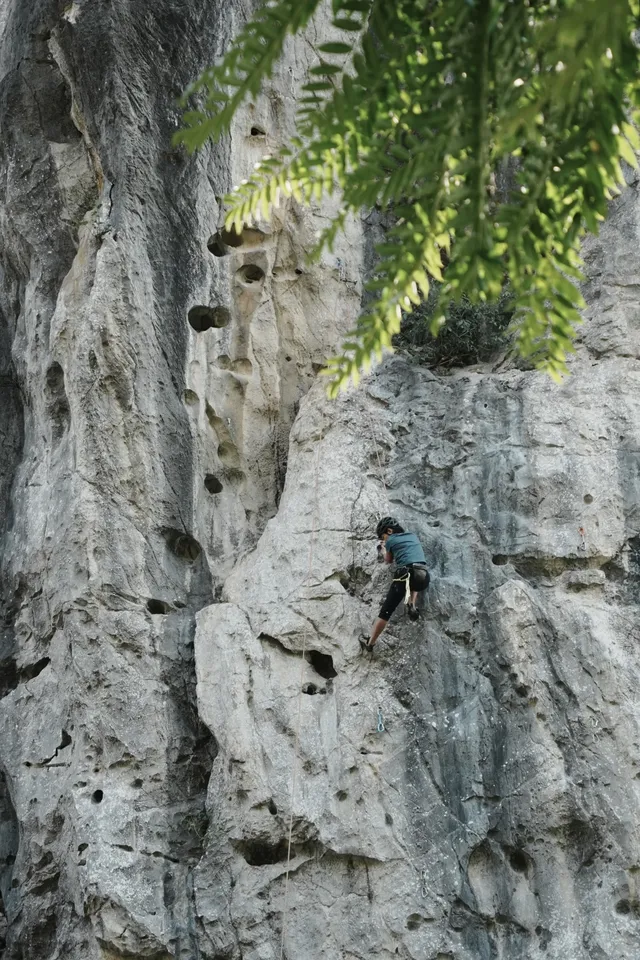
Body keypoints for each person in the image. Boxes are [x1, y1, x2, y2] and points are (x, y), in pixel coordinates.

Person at [361, 517, 430, 652]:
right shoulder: (412, 536)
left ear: (390, 531)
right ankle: (412, 604)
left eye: (383, 536)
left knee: (385, 612)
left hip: (405, 575)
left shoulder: (391, 540)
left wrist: (382, 548)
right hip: (424, 576)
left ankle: (370, 644)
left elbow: (388, 560)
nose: (384, 538)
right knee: (415, 578)